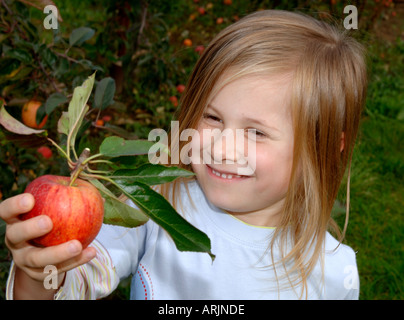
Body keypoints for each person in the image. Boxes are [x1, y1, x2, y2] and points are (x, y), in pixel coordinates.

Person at [1, 9, 367, 300]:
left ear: (324, 147)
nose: (221, 148)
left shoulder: (336, 274)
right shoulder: (155, 207)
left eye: (256, 132)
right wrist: (40, 274)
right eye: (211, 117)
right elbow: (72, 285)